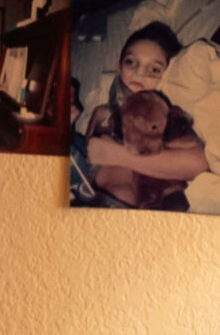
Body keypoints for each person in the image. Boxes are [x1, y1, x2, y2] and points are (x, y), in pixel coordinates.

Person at [79, 20, 211, 205]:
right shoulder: (101, 113)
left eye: (154, 69)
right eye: (131, 62)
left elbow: (198, 163)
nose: (139, 73)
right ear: (119, 66)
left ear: (167, 75)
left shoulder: (164, 115)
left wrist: (118, 155)